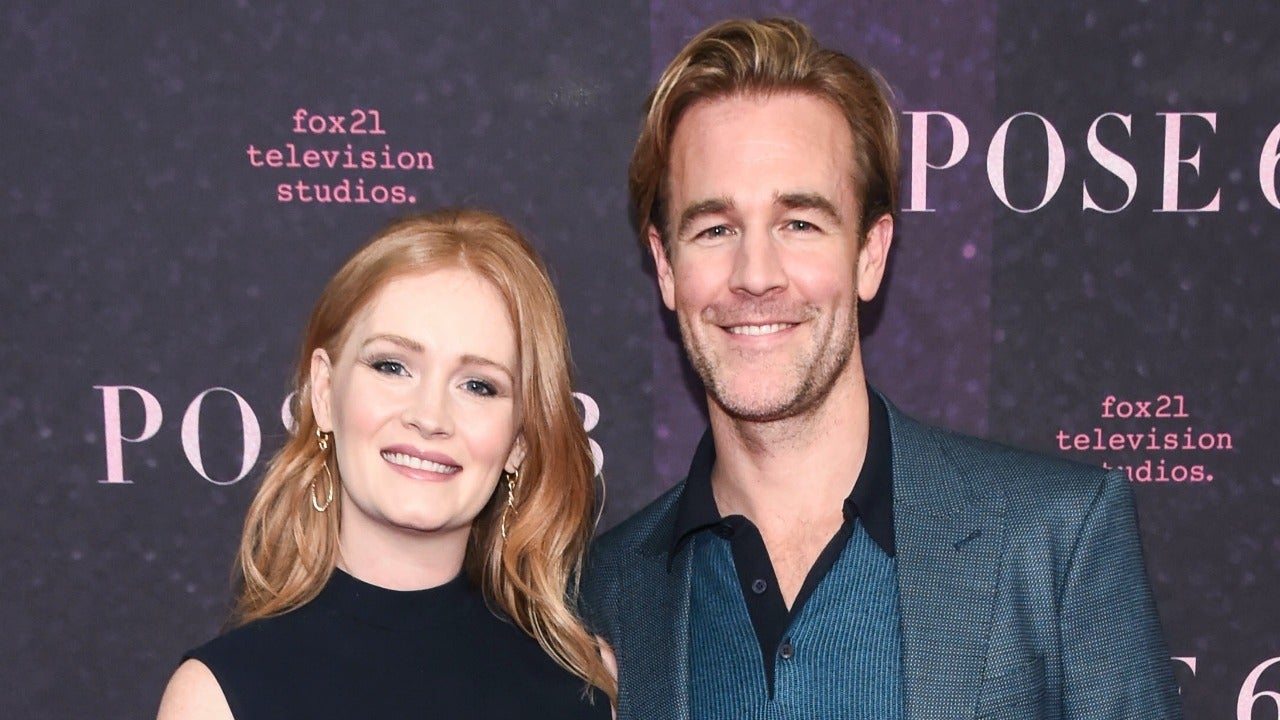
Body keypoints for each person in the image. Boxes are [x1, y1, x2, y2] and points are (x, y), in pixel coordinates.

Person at [583, 17, 1181, 720]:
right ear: (665, 266)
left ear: (870, 253)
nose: (756, 274)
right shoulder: (600, 597)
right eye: (715, 228)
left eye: (799, 223)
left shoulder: (1054, 543)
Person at [157, 209, 615, 720]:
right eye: (392, 366)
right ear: (324, 392)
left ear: (520, 441)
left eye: (478, 386)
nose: (429, 416)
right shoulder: (216, 697)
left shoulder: (583, 686)